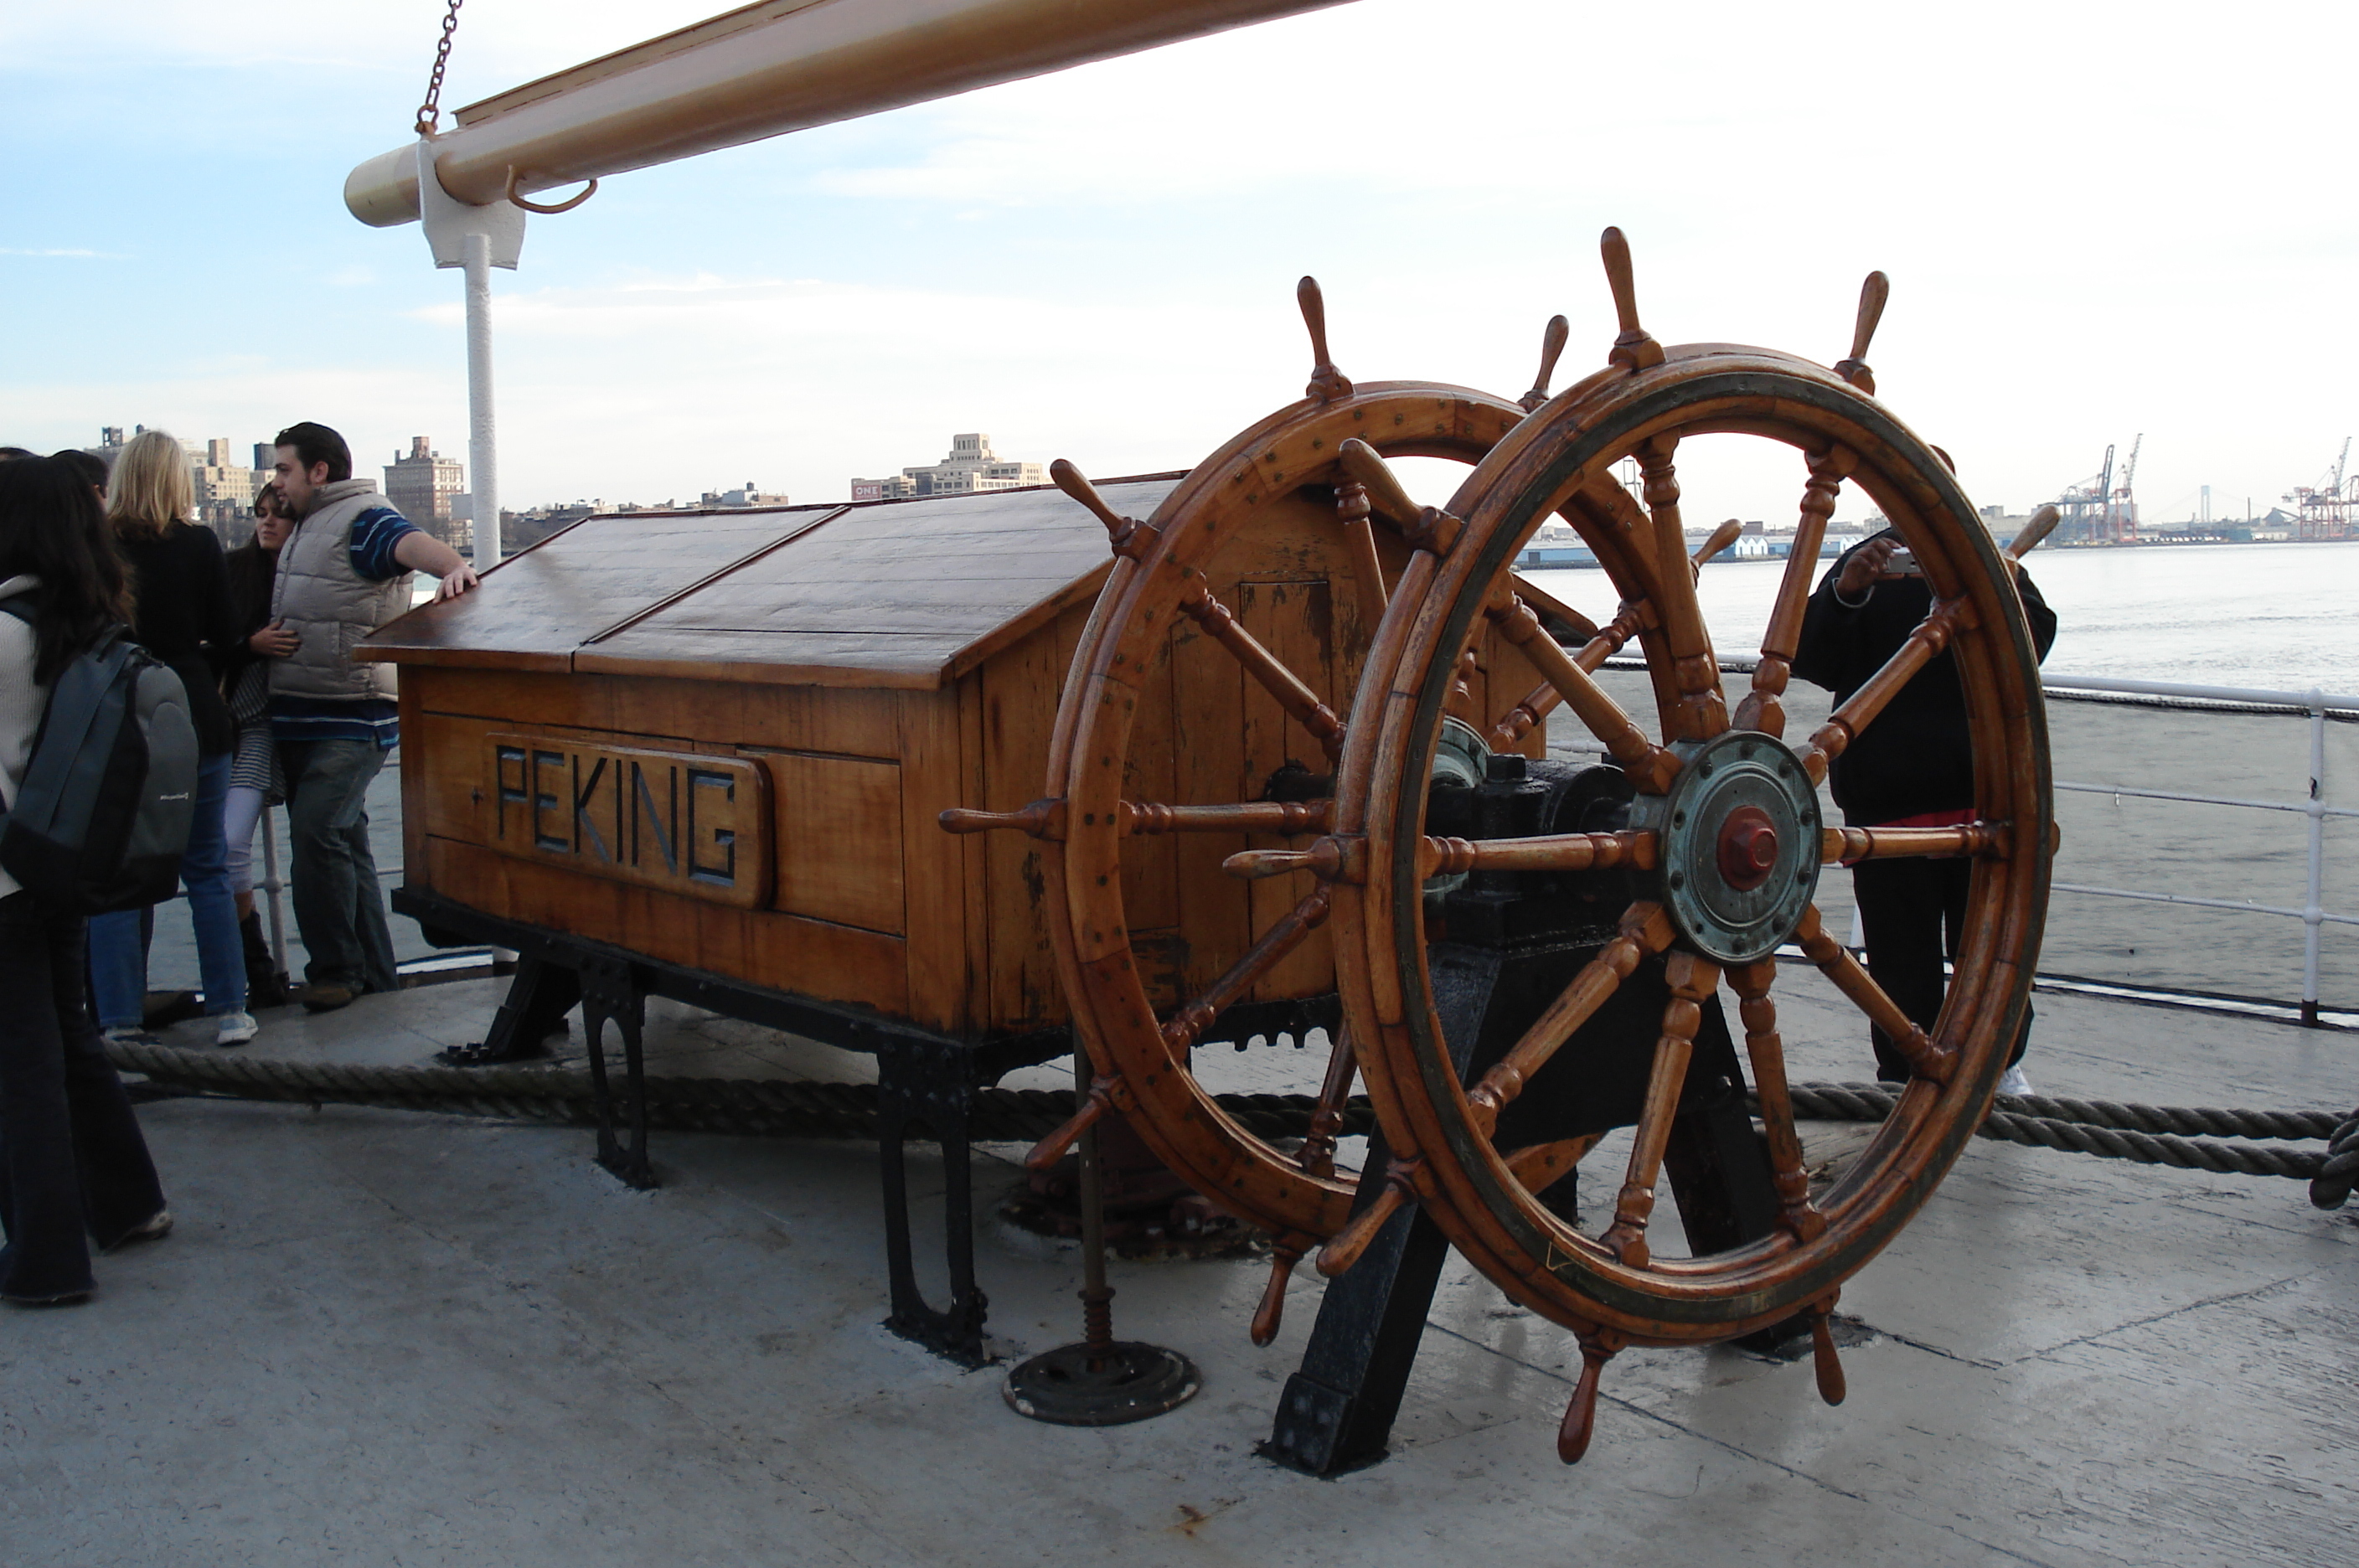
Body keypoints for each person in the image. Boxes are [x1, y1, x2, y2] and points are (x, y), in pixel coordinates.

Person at [1793, 527, 2057, 1095]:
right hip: (1891, 805)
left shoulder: (1991, 562)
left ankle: (2000, 1063)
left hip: (1982, 799)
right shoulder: (1868, 564)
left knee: (1991, 949)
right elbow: (1812, 657)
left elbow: (2034, 645)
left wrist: (2002, 589)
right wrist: (1848, 592)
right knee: (1899, 956)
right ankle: (1903, 1072)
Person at [0, 456, 170, 1305]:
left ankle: (47, 1259)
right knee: (65, 1039)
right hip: (56, 863)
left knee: (19, 1070)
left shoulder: (1, 628)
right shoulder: (86, 617)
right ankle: (129, 1202)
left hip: (5, 878)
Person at [262, 421, 477, 1012]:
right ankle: (376, 976)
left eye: (284, 468)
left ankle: (334, 969)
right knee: (346, 843)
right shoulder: (309, 524)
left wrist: (452, 567)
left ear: (319, 471)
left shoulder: (360, 518)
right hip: (305, 712)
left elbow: (408, 544)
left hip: (351, 716)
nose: (276, 480)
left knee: (316, 832)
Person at [85, 431, 255, 1048]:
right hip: (189, 711)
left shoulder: (96, 547)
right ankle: (232, 1009)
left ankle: (119, 1018)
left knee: (116, 872)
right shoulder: (200, 543)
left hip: (115, 714)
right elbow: (227, 633)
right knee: (207, 865)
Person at [220, 484, 293, 1008]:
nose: (266, 523)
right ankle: (255, 971)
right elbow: (205, 644)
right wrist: (250, 647)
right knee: (218, 851)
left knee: (228, 845)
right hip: (223, 722)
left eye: (278, 515)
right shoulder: (231, 572)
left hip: (266, 728)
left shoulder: (307, 581)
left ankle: (260, 971)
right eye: (260, 514)